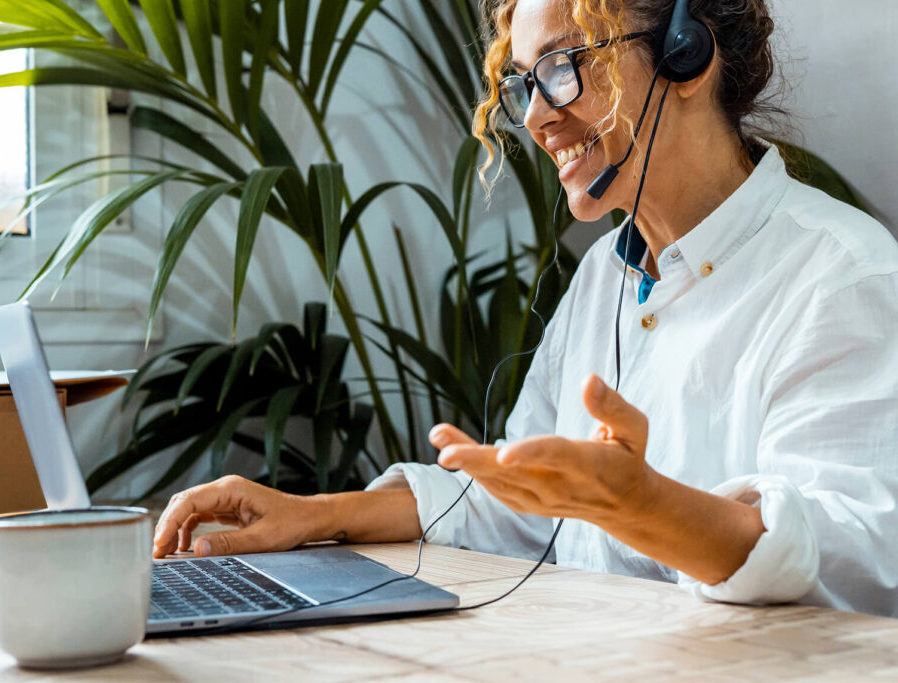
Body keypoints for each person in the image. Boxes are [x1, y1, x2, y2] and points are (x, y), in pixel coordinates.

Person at [153, 0, 898, 617]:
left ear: (685, 55)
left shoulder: (842, 276)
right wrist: (309, 515)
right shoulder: (604, 281)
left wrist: (645, 507)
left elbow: (856, 562)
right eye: (522, 83)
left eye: (565, 67)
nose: (537, 117)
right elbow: (524, 508)